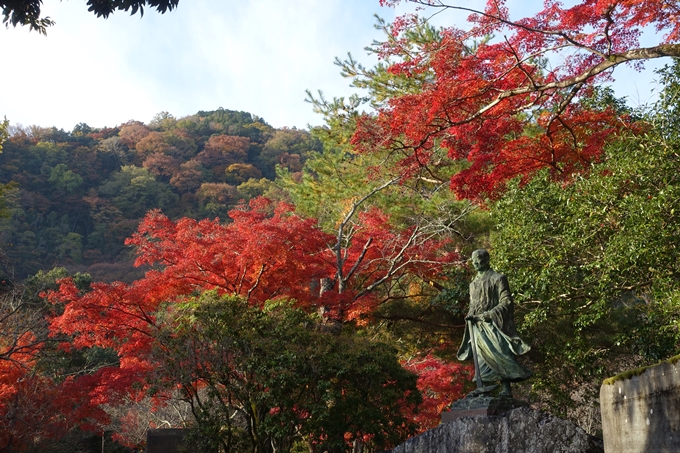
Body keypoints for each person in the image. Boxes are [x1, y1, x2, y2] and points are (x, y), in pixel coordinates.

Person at [457, 249, 532, 398]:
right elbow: (473, 304)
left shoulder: (498, 278)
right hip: (477, 326)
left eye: (478, 259)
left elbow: (506, 301)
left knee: (500, 352)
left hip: (494, 324)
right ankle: (483, 388)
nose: (476, 263)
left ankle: (506, 388)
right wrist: (470, 316)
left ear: (486, 259)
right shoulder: (473, 284)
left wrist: (490, 314)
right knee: (481, 357)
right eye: (473, 260)